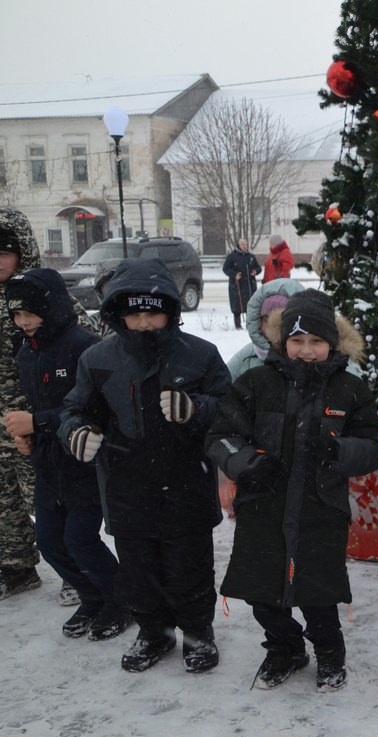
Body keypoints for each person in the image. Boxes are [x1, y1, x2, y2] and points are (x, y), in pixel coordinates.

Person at [207, 289, 378, 692]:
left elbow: (373, 446)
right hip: (263, 506)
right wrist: (247, 463)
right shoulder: (256, 382)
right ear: (282, 341)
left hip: (320, 508)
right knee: (262, 593)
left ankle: (328, 651)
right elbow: (222, 435)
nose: (306, 351)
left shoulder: (350, 391)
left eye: (316, 342)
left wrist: (338, 450)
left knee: (318, 594)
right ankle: (284, 648)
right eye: (297, 341)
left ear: (332, 343)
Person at [59, 257, 230, 674]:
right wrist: (76, 431)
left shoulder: (200, 355)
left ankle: (196, 632)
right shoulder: (97, 358)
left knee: (188, 566)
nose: (145, 322)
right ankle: (153, 632)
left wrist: (197, 408)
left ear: (170, 311)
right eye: (134, 314)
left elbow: (232, 410)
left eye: (153, 312)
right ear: (118, 315)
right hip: (126, 484)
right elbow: (76, 409)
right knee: (138, 570)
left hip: (187, 479)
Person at [4, 268, 131, 640]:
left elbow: (99, 410)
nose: (23, 322)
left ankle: (119, 599)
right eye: (16, 314)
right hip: (48, 464)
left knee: (80, 539)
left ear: (53, 307)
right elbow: (35, 407)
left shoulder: (84, 347)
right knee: (49, 541)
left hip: (84, 462)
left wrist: (37, 422)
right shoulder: (26, 353)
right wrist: (29, 437)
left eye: (30, 312)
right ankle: (91, 597)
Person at [0, 209, 43, 599]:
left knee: (45, 498)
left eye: (4, 253)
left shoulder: (37, 294)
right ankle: (17, 567)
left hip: (32, 419)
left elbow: (80, 343)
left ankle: (78, 567)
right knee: (4, 503)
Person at [226, 278, 334, 382]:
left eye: (278, 320)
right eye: (265, 319)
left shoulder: (316, 354)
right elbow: (223, 385)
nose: (270, 327)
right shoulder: (249, 355)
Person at [223, 239, 261, 330]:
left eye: (246, 244)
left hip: (249, 285)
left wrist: (255, 271)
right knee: (237, 306)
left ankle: (249, 324)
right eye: (242, 244)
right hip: (236, 285)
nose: (245, 246)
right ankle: (238, 325)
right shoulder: (232, 256)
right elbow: (225, 269)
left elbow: (258, 267)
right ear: (238, 245)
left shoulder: (251, 257)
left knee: (250, 305)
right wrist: (234, 274)